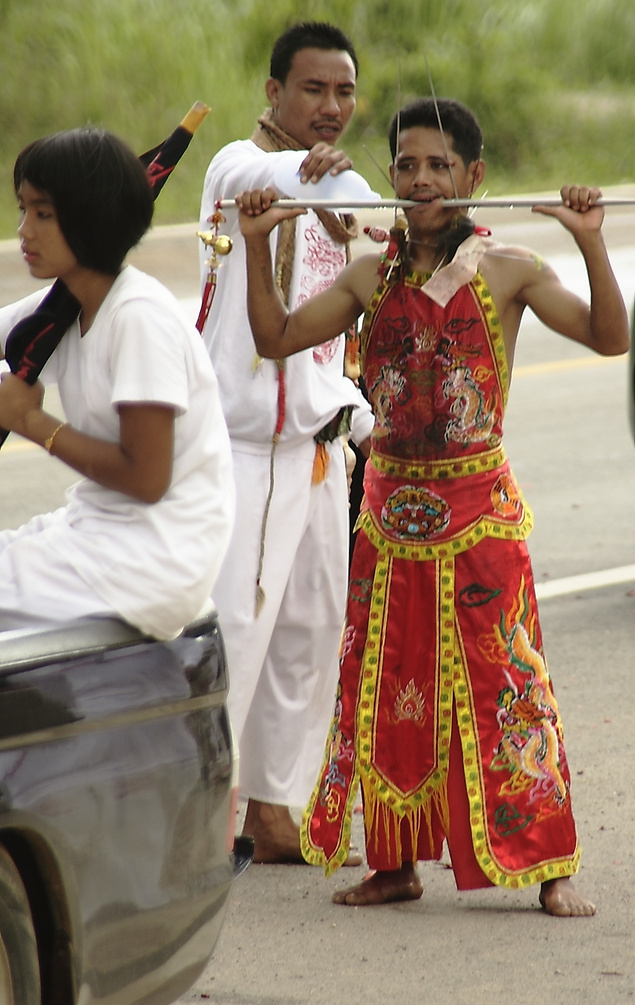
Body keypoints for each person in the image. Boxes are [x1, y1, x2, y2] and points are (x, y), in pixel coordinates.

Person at [235, 97, 630, 914]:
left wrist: (588, 243)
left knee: (507, 687)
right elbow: (275, 338)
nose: (421, 181)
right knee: (387, 689)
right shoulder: (366, 273)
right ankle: (395, 863)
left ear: (473, 178)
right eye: (407, 166)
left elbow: (607, 336)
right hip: (386, 518)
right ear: (389, 175)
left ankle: (548, 865)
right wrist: (256, 244)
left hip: (479, 517)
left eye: (440, 166)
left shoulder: (509, 269)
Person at [198, 21, 373, 862]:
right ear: (273, 94)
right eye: (313, 90)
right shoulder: (237, 169)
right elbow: (256, 173)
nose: (330, 108)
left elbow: (371, 228)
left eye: (343, 92)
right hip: (242, 455)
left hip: (316, 452)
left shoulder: (341, 188)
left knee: (309, 636)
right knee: (235, 636)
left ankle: (275, 806)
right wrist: (306, 174)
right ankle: (197, 819)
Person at [0, 127, 234, 640]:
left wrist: (29, 421)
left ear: (90, 218)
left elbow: (147, 478)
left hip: (149, 560)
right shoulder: (68, 304)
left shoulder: (138, 316)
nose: (25, 230)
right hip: (99, 530)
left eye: (43, 213)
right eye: (24, 210)